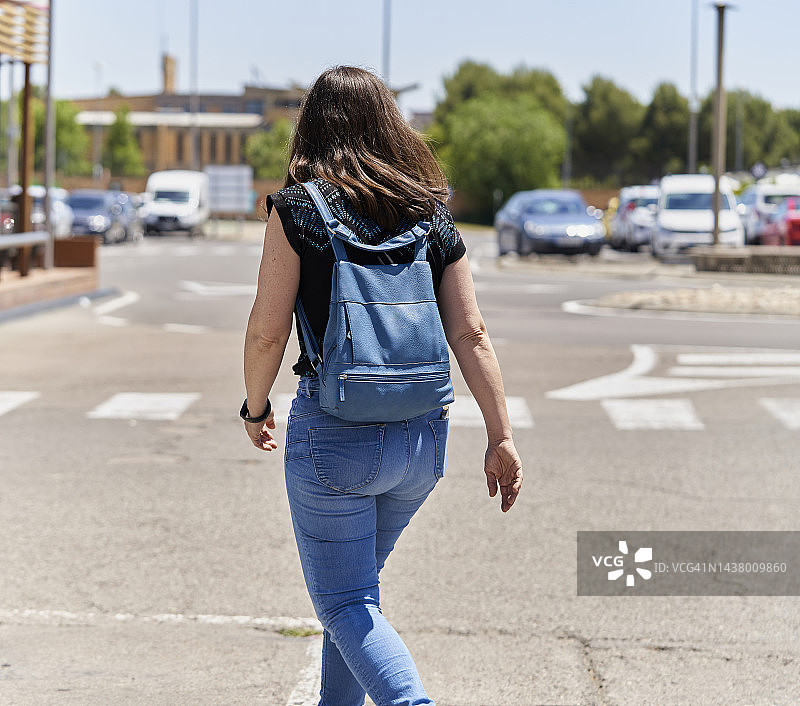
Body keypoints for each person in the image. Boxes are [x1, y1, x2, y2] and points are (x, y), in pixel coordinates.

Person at [242, 66, 522, 706]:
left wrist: (255, 406)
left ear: (312, 126)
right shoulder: (431, 214)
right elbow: (472, 333)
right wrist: (501, 435)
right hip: (421, 443)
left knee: (345, 602)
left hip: (335, 438)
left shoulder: (299, 208)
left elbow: (266, 331)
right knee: (356, 598)